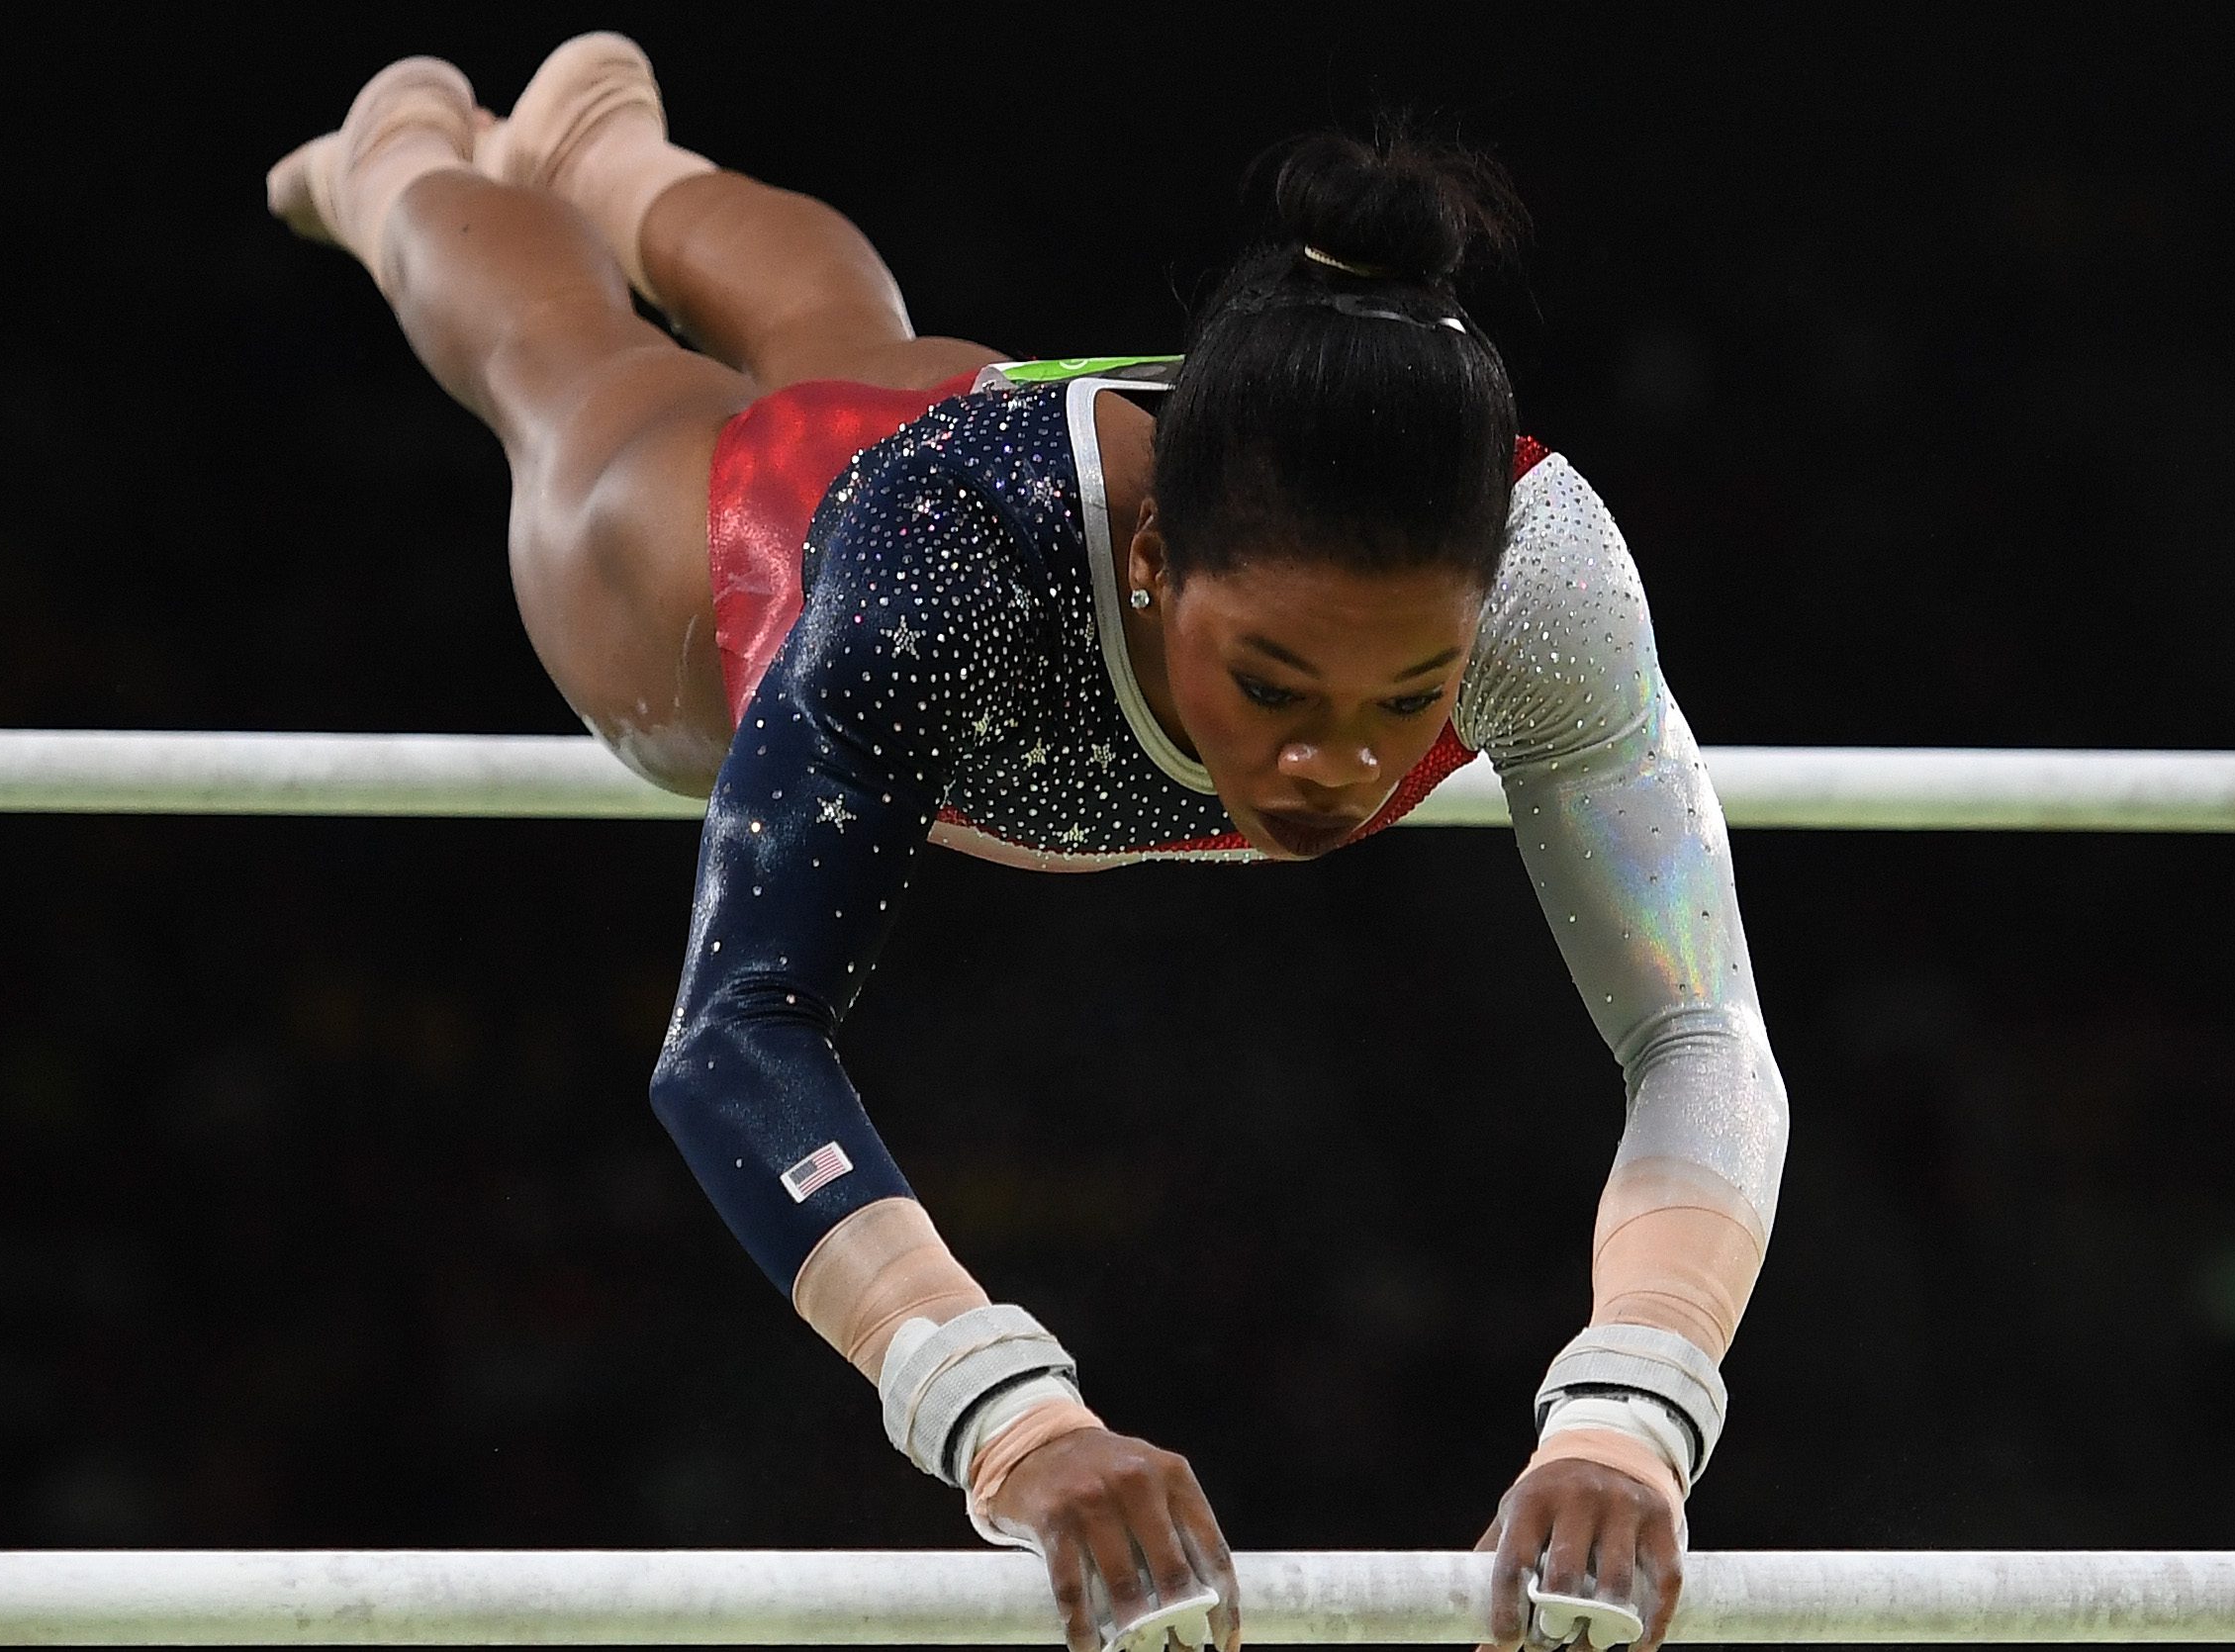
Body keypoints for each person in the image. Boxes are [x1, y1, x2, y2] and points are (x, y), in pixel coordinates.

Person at [270, 36, 1788, 1652]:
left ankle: (608, 154)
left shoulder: (1543, 574)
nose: (1338, 759)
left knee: (849, 341)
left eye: (1410, 693)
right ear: (1151, 557)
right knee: (571, 368)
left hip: (953, 426)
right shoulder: (954, 578)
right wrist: (1015, 1416)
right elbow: (735, 1037)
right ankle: (397, 164)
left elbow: (1700, 1028)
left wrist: (1632, 1408)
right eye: (1272, 680)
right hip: (734, 575)